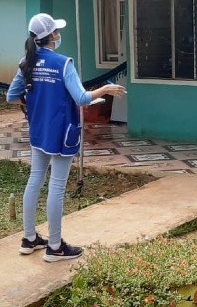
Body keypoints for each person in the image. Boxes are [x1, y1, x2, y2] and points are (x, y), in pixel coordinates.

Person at [6, 13, 126, 262]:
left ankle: (29, 239)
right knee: (57, 186)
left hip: (39, 130)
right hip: (63, 132)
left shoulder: (25, 62)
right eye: (57, 31)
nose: (59, 35)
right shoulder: (63, 63)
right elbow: (82, 98)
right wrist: (105, 88)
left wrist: (39, 104)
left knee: (35, 179)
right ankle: (55, 246)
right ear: (51, 36)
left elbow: (11, 96)